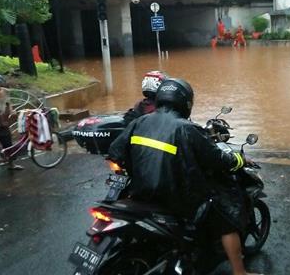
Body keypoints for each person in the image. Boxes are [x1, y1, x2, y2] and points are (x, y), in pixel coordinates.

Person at [108, 78, 261, 275]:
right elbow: (218, 159)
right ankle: (240, 272)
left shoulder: (140, 121)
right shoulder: (187, 128)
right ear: (186, 102)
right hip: (179, 199)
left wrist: (136, 170)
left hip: (141, 195)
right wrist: (239, 160)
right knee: (225, 220)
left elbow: (114, 154)